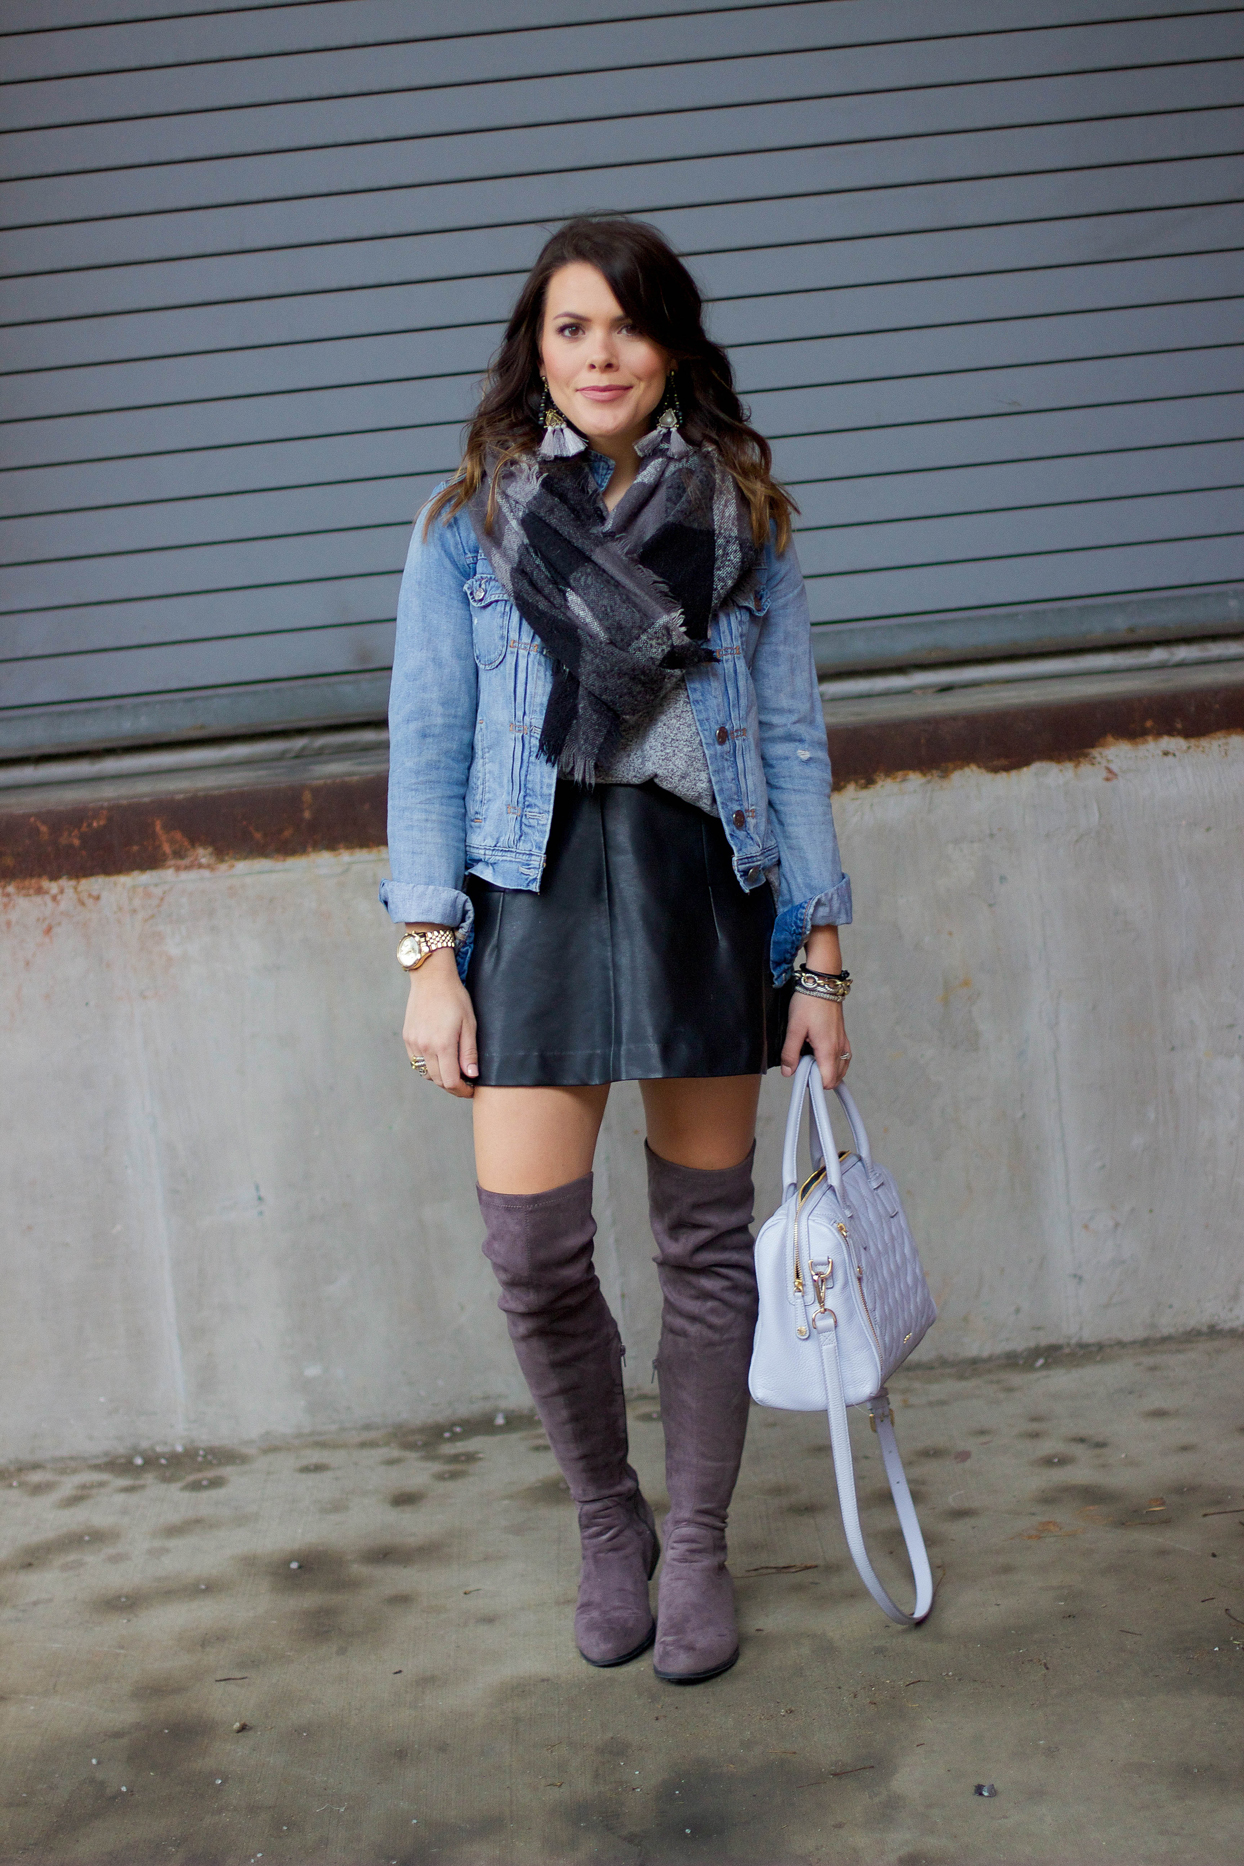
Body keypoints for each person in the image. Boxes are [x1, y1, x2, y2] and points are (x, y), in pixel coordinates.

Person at [380, 216, 852, 1686]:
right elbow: (430, 741)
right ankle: (609, 1520)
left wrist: (821, 951)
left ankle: (697, 1540)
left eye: (627, 327)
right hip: (524, 889)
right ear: (538, 347)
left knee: (705, 1243)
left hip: (700, 884)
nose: (601, 354)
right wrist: (426, 953)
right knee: (533, 1252)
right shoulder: (466, 527)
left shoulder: (745, 522)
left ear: (670, 350)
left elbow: (786, 740)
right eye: (573, 326)